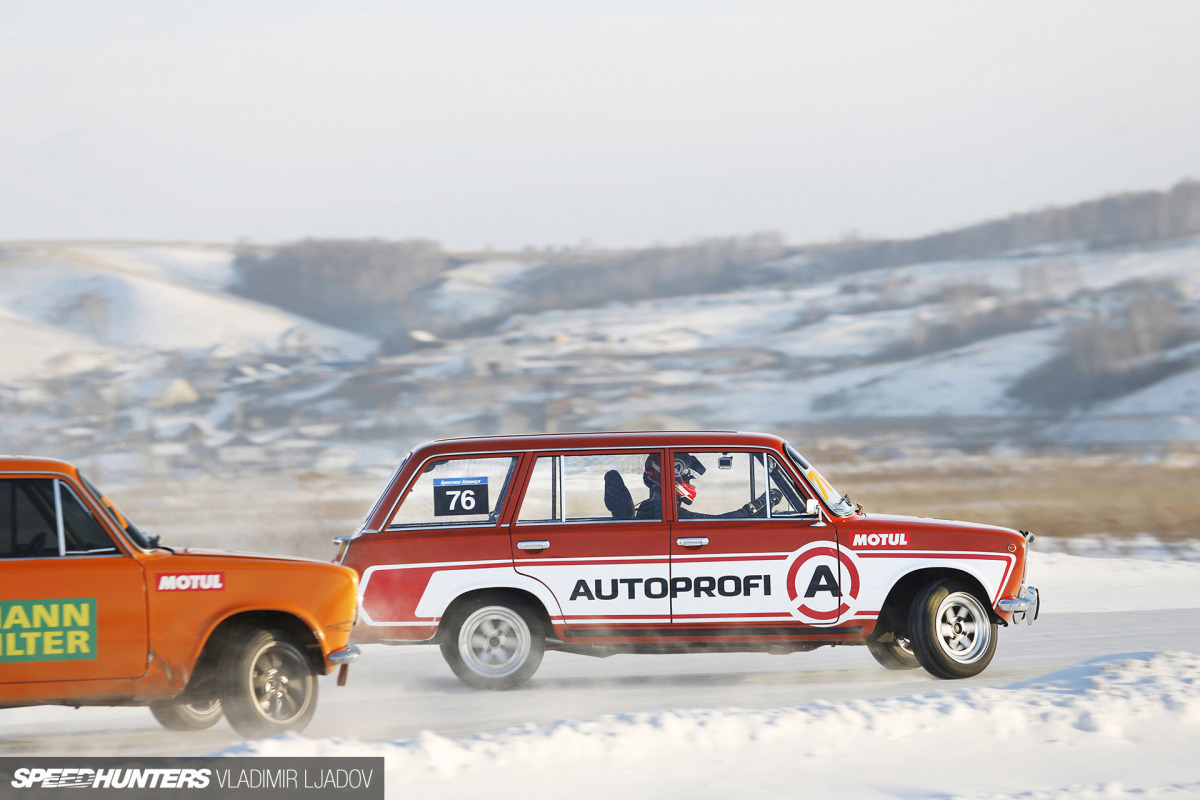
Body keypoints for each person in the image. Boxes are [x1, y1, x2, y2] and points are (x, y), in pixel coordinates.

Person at [635, 453, 779, 520]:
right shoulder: (663, 512)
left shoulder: (650, 508)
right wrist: (750, 509)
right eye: (687, 478)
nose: (689, 483)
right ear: (675, 475)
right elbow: (719, 523)